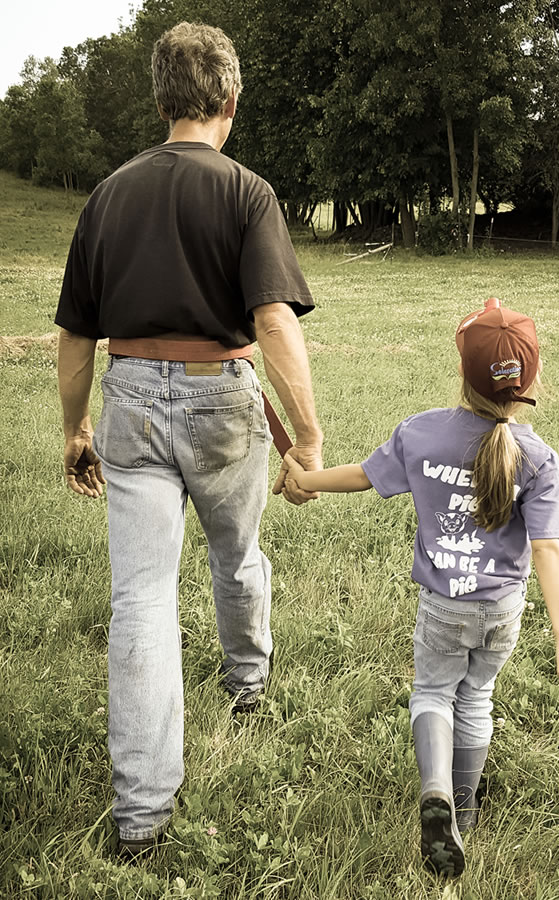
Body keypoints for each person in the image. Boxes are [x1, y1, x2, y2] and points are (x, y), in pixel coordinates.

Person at [55, 22, 323, 857]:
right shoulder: (247, 191)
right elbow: (272, 319)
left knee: (140, 598)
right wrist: (306, 437)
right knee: (236, 556)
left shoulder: (109, 193)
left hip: (128, 395)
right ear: (229, 104)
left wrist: (75, 427)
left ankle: (140, 817)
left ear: (162, 100)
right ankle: (247, 686)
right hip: (222, 400)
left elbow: (73, 337)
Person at [282, 299, 559, 878]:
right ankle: (465, 810)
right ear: (533, 381)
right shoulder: (539, 458)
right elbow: (548, 549)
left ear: (461, 372)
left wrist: (306, 479)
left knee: (431, 693)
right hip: (501, 611)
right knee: (475, 697)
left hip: (442, 607)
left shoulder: (422, 433)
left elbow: (363, 477)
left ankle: (436, 792)